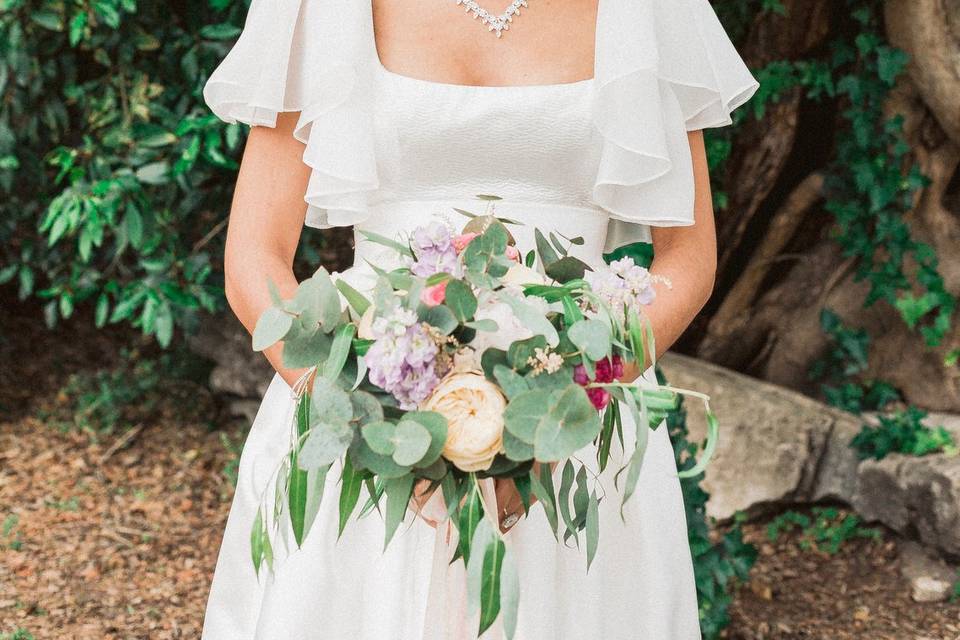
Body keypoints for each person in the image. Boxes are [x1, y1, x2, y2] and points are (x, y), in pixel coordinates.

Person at [200, 0, 759, 638]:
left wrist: (562, 412)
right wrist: (357, 412)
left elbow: (687, 260)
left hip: (580, 427)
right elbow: (255, 255)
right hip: (361, 401)